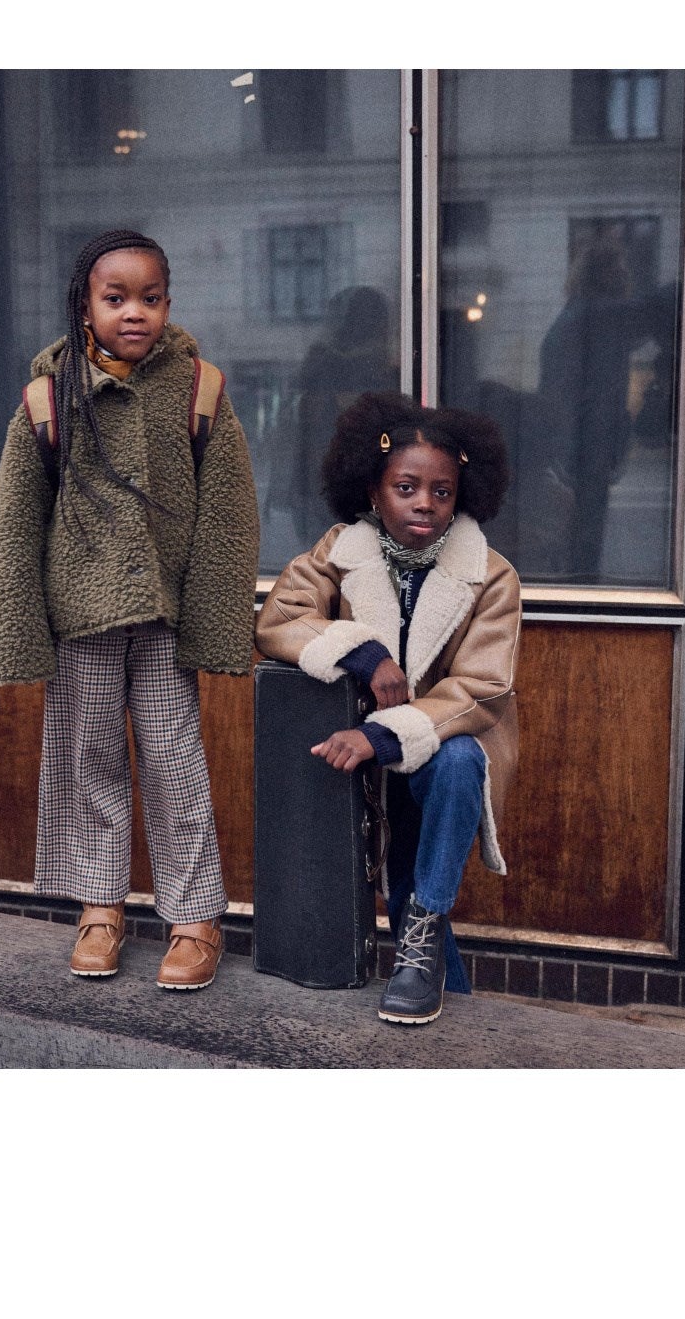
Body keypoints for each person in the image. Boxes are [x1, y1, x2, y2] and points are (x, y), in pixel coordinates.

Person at [0, 229, 259, 991]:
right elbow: (13, 523)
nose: (135, 311)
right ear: (85, 305)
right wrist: (17, 631)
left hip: (164, 620)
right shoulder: (48, 398)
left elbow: (228, 513)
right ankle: (99, 908)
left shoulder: (199, 389)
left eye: (151, 297)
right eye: (116, 298)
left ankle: (196, 919)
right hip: (82, 623)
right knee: (89, 760)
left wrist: (215, 620)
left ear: (169, 302)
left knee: (175, 762)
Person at [255, 392, 520, 1025]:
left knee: (459, 762)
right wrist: (364, 654)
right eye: (406, 487)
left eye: (442, 491)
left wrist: (388, 734)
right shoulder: (340, 551)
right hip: (357, 762)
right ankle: (432, 977)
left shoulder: (491, 575)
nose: (425, 503)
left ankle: (422, 939)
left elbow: (483, 688)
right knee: (402, 884)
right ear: (374, 490)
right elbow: (279, 619)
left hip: (438, 754)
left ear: (461, 496)